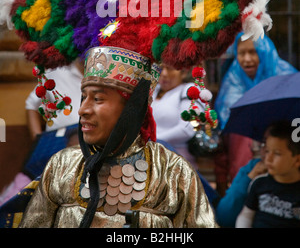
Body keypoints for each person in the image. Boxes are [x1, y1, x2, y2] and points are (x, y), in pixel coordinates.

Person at [18, 47, 218, 228]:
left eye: (97, 99)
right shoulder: (61, 165)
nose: (82, 110)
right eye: (84, 97)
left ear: (131, 109)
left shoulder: (174, 170)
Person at [214, 33, 297, 195]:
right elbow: (228, 122)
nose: (246, 59)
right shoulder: (233, 80)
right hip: (244, 160)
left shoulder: (284, 74)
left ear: (264, 52)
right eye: (241, 53)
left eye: (253, 52)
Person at [0, 61, 83, 206]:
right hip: (55, 147)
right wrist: (38, 138)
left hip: (90, 149)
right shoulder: (57, 72)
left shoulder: (106, 73)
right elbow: (31, 105)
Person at [235, 120, 300, 228]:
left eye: (277, 153)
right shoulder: (259, 183)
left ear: (297, 160)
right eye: (267, 151)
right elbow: (246, 216)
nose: (268, 158)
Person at [152, 63, 203, 168]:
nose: (164, 74)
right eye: (161, 68)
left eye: (170, 69)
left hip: (177, 160)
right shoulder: (153, 90)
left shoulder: (190, 90)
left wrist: (153, 140)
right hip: (150, 156)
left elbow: (187, 129)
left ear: (183, 72)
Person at [215, 141, 267, 227]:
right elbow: (224, 217)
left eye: (277, 152)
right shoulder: (253, 167)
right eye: (264, 146)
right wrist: (250, 177)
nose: (269, 158)